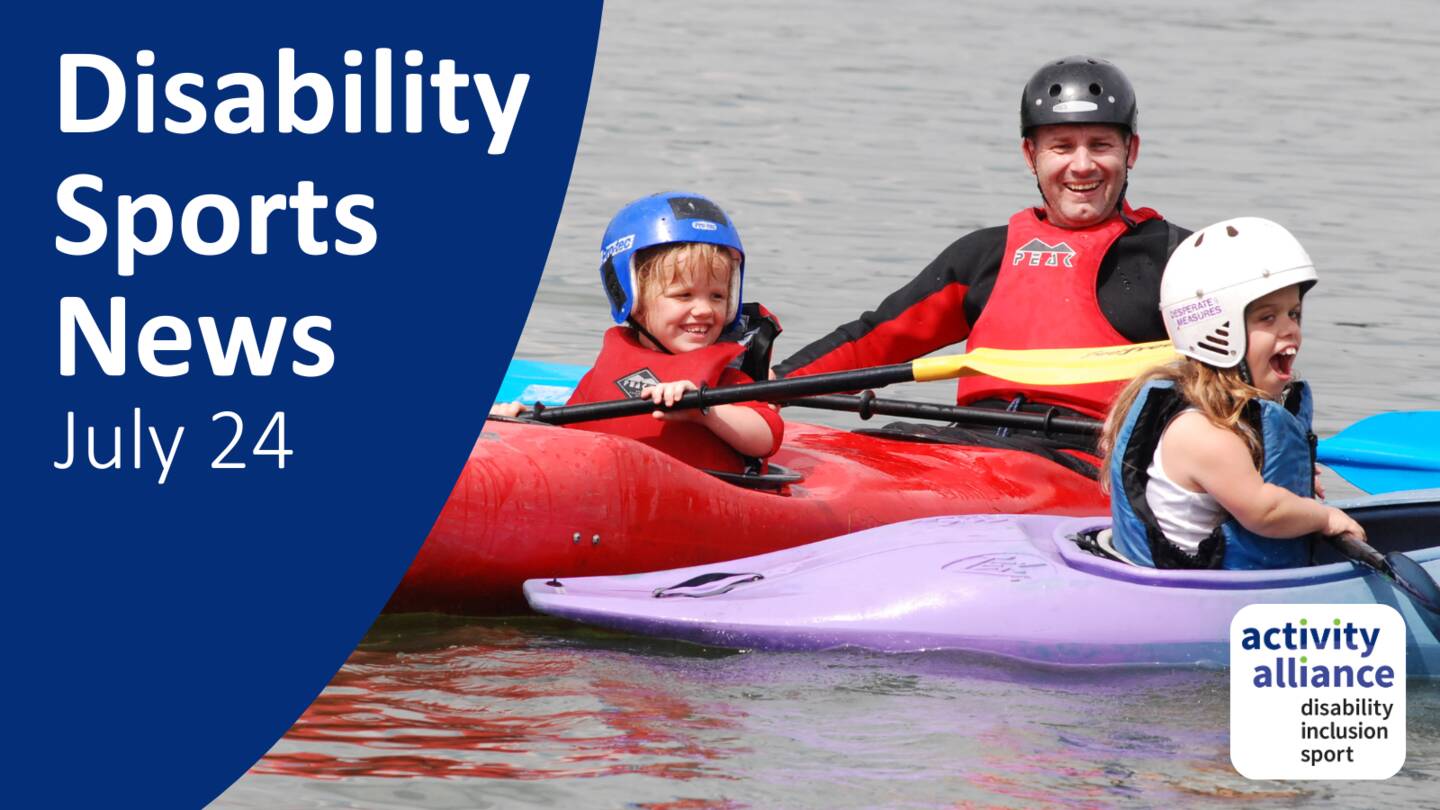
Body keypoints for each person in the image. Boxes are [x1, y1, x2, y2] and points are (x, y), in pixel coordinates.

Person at [773, 56, 1189, 427]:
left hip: (1085, 464)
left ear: (1130, 151)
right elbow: (876, 339)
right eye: (1062, 147)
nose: (1081, 166)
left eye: (1100, 146)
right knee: (875, 441)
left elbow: (1240, 375)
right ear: (1031, 155)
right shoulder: (985, 255)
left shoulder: (1182, 261)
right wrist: (768, 386)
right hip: (970, 448)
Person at [1098, 217, 1365, 570]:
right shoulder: (1202, 433)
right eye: (1267, 319)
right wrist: (1324, 518)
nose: (1290, 329)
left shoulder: (1224, 416)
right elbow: (1265, 511)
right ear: (1216, 333)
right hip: (1189, 593)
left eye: (1294, 313)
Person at [492, 191, 784, 474]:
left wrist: (706, 409)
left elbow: (766, 436)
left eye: (718, 296)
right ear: (633, 300)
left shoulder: (725, 378)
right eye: (683, 295)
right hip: (612, 493)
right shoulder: (604, 371)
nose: (705, 310)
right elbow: (568, 436)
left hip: (696, 502)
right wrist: (520, 424)